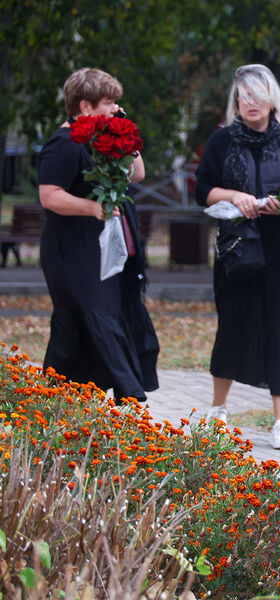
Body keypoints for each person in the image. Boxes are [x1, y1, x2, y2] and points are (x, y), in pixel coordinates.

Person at [195, 64, 280, 451]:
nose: (251, 103)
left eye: (257, 95)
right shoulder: (222, 141)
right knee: (232, 325)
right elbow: (203, 192)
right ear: (236, 101)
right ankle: (217, 412)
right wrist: (235, 196)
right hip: (237, 247)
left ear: (271, 99)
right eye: (244, 96)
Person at [38, 67, 158, 403]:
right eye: (108, 102)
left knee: (101, 314)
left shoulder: (102, 139)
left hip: (101, 246)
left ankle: (69, 395)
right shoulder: (62, 144)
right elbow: (50, 196)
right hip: (70, 249)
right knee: (94, 314)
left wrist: (125, 134)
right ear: (85, 107)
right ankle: (128, 394)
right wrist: (92, 209)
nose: (114, 108)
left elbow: (138, 173)